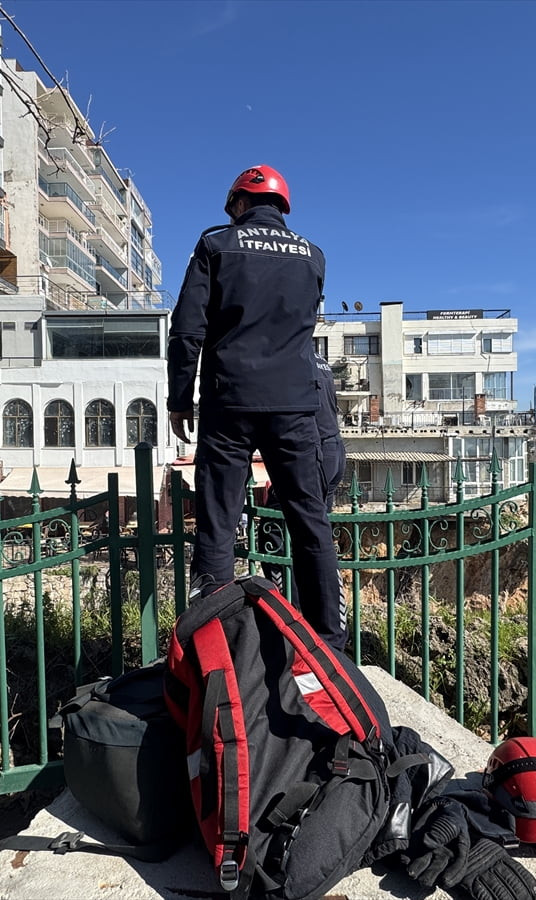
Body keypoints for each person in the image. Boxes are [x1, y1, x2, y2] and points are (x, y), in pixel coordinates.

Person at [167, 165, 346, 649]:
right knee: (310, 522)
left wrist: (180, 399)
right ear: (282, 207)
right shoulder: (313, 255)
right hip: (295, 405)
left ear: (240, 204)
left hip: (230, 401)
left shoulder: (215, 245)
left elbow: (187, 330)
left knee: (219, 523)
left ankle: (216, 644)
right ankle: (329, 644)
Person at [261, 354, 346, 604]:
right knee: (316, 533)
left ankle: (289, 608)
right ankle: (322, 609)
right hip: (333, 447)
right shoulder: (319, 360)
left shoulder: (290, 357)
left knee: (273, 528)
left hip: (314, 451)